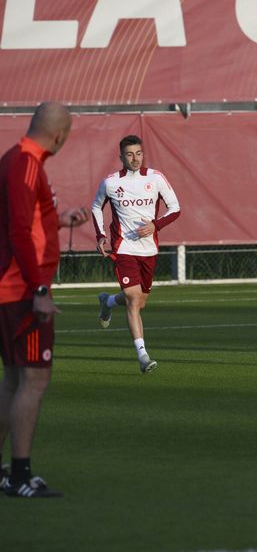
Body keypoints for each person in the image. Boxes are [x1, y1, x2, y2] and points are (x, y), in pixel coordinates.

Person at [0, 102, 90, 499]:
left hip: (12, 288)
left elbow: (23, 222)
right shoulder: (27, 164)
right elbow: (19, 231)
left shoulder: (16, 160)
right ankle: (20, 476)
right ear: (59, 135)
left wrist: (59, 219)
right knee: (34, 379)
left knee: (16, 379)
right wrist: (39, 290)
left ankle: (8, 472)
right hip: (22, 291)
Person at [91, 135, 181, 374]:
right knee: (132, 299)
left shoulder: (156, 178)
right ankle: (142, 355)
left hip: (149, 250)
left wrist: (155, 225)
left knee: (139, 301)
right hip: (124, 249)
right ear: (121, 157)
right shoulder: (110, 183)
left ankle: (108, 302)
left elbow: (175, 208)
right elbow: (95, 207)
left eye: (138, 153)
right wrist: (100, 235)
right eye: (129, 154)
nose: (135, 158)